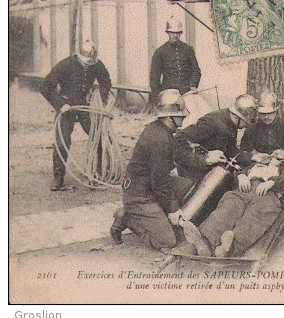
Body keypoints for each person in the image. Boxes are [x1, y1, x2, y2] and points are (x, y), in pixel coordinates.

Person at [109, 89, 226, 250]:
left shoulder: (163, 130)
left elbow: (180, 155)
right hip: (140, 195)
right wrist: (173, 210)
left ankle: (156, 216)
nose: (184, 116)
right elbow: (160, 183)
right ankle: (127, 218)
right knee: (167, 241)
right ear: (170, 117)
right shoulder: (160, 140)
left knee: (188, 187)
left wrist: (206, 159)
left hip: (148, 185)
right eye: (180, 114)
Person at [183, 156, 284, 258]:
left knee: (256, 216)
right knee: (228, 207)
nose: (272, 156)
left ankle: (228, 247)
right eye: (271, 154)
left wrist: (272, 183)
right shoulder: (254, 166)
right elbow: (237, 173)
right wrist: (242, 176)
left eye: (277, 154)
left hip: (268, 194)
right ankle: (205, 241)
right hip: (244, 190)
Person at [41, 39, 112, 191]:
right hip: (67, 107)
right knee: (62, 141)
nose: (88, 65)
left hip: (86, 107)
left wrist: (98, 94)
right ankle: (58, 177)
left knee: (99, 135)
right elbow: (46, 86)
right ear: (79, 56)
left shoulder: (96, 64)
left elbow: (106, 81)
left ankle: (97, 173)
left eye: (91, 62)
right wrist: (60, 105)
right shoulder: (65, 65)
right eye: (86, 62)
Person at [174, 94, 258, 221]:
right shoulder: (212, 122)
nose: (245, 126)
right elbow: (180, 138)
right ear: (237, 116)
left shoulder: (231, 124)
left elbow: (230, 150)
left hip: (209, 166)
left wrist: (253, 158)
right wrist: (206, 156)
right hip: (192, 168)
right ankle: (186, 220)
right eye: (245, 122)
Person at [240, 90, 284, 165]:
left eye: (270, 113)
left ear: (276, 111)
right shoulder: (252, 129)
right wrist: (255, 154)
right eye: (263, 114)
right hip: (258, 164)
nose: (266, 117)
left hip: (282, 164)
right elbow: (244, 149)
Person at [149, 17, 201, 103]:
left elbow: (196, 70)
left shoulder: (188, 49)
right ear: (168, 33)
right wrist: (157, 97)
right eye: (172, 33)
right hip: (168, 92)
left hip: (186, 91)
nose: (175, 35)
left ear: (180, 33)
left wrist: (193, 85)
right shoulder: (160, 52)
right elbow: (154, 77)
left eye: (178, 33)